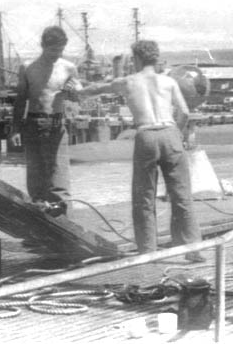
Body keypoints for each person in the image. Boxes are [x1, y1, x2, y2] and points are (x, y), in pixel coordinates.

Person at [79, 40, 203, 261]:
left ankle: (148, 252)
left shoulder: (128, 81)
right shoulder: (169, 81)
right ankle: (192, 250)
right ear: (155, 59)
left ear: (136, 58)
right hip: (170, 133)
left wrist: (77, 91)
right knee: (182, 196)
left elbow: (95, 90)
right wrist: (177, 134)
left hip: (146, 135)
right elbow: (184, 112)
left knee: (144, 198)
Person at [10, 26, 81, 215]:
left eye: (60, 50)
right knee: (35, 181)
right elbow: (20, 100)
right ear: (43, 45)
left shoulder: (69, 68)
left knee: (59, 179)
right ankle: (39, 222)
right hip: (33, 124)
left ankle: (65, 224)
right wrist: (15, 129)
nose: (56, 54)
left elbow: (77, 100)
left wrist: (73, 92)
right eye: (52, 50)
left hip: (57, 124)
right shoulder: (27, 67)